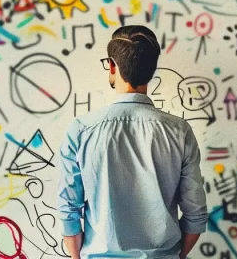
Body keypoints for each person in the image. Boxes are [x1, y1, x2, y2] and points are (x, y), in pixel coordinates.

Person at [57, 25, 208, 259]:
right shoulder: (180, 132)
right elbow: (196, 216)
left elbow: (69, 211)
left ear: (112, 65)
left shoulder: (81, 130)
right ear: (152, 69)